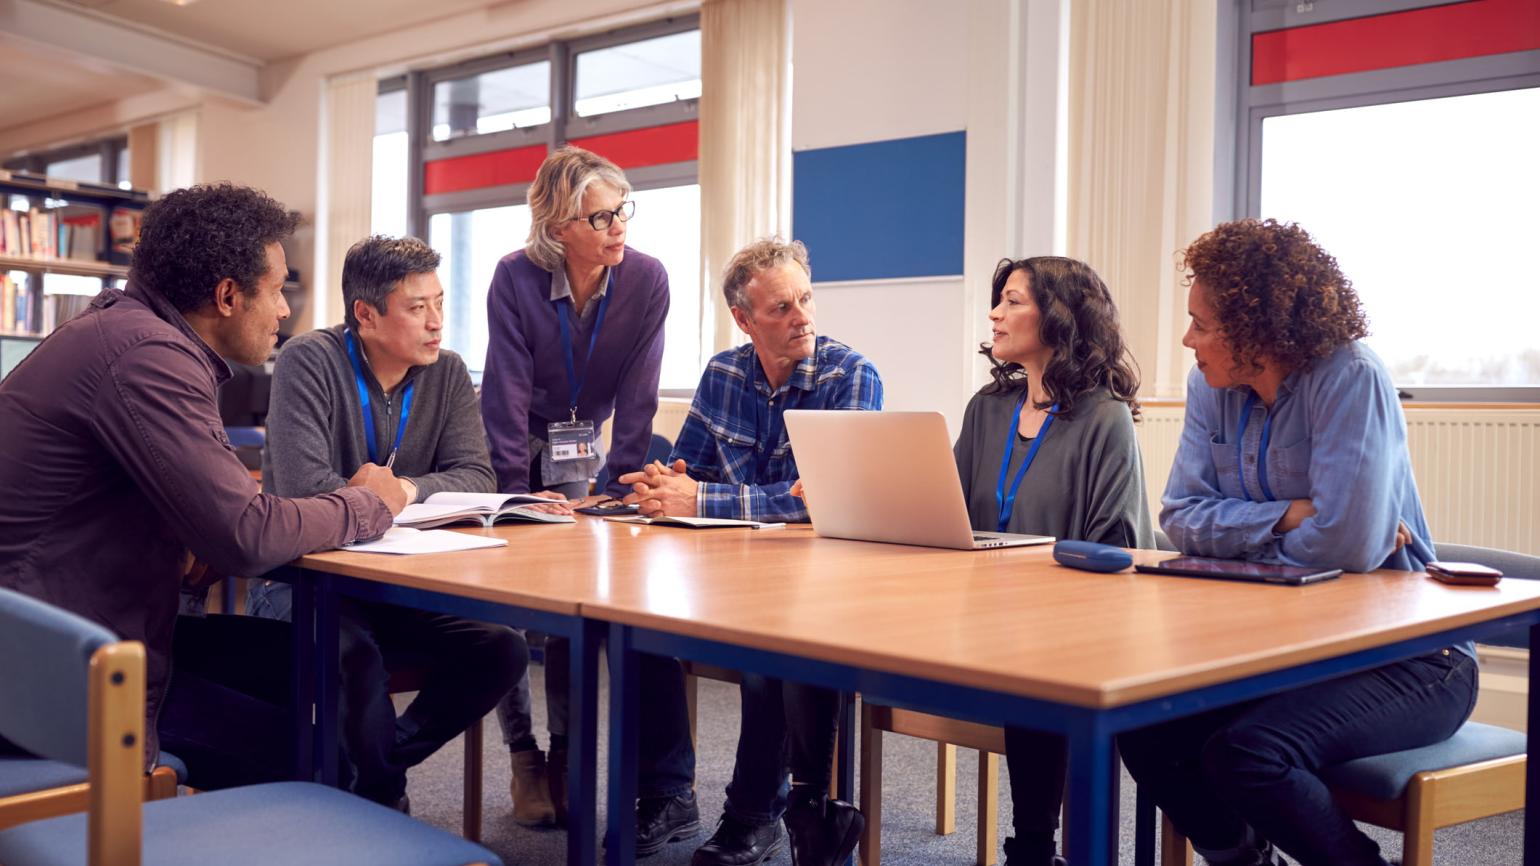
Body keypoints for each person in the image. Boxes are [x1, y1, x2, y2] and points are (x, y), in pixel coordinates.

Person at [0, 183, 405, 790]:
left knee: (330, 666)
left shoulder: (119, 332)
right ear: (226, 296)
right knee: (318, 756)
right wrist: (368, 503)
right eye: (276, 291)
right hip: (54, 680)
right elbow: (246, 533)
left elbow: (217, 517)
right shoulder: (147, 357)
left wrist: (197, 533)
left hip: (59, 638)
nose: (285, 311)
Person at [1119, 219, 1471, 866]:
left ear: (1259, 330)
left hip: (1412, 659)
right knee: (1145, 730)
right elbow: (1181, 516)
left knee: (1248, 754)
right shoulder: (1210, 387)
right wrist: (1290, 518)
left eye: (1203, 323)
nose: (1186, 337)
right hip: (1281, 648)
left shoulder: (1351, 376)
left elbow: (1351, 547)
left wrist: (1243, 541)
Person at [622, 237, 883, 866]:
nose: (803, 317)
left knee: (770, 648)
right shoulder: (724, 373)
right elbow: (692, 468)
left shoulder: (852, 377)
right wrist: (665, 484)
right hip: (727, 570)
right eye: (782, 308)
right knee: (628, 622)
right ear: (745, 320)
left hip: (817, 584)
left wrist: (703, 499)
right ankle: (667, 791)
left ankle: (752, 815)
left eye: (806, 299)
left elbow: (820, 501)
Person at [250, 235, 527, 809]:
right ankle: (381, 798)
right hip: (304, 578)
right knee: (354, 659)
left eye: (440, 303)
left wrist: (403, 490)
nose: (436, 323)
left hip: (399, 581)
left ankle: (369, 769)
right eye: (417, 307)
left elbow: (478, 476)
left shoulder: (447, 372)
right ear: (366, 315)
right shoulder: (309, 359)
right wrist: (397, 503)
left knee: (501, 648)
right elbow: (304, 489)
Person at [479, 145, 691, 835]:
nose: (617, 227)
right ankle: (524, 755)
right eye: (600, 217)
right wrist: (516, 493)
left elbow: (641, 389)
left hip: (583, 447)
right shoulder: (514, 277)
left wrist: (622, 483)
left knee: (573, 603)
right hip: (513, 442)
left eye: (622, 210)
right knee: (506, 607)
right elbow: (506, 389)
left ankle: (568, 753)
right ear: (559, 225)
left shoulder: (647, 279)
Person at [952, 256, 1153, 866]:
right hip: (985, 612)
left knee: (1036, 661)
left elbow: (1113, 544)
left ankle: (1035, 846)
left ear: (1060, 317)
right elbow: (950, 513)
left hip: (1075, 625)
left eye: (1013, 301)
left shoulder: (1104, 416)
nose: (995, 313)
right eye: (999, 300)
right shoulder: (988, 407)